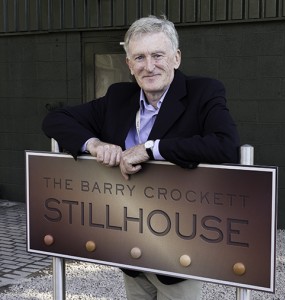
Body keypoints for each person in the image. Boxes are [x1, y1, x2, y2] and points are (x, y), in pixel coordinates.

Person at [43, 15, 239, 300]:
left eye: (158, 55)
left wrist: (152, 149)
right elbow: (55, 120)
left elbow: (226, 146)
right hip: (131, 252)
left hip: (178, 257)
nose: (149, 66)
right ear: (129, 64)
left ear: (176, 58)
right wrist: (95, 145)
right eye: (140, 57)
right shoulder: (118, 97)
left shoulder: (204, 92)